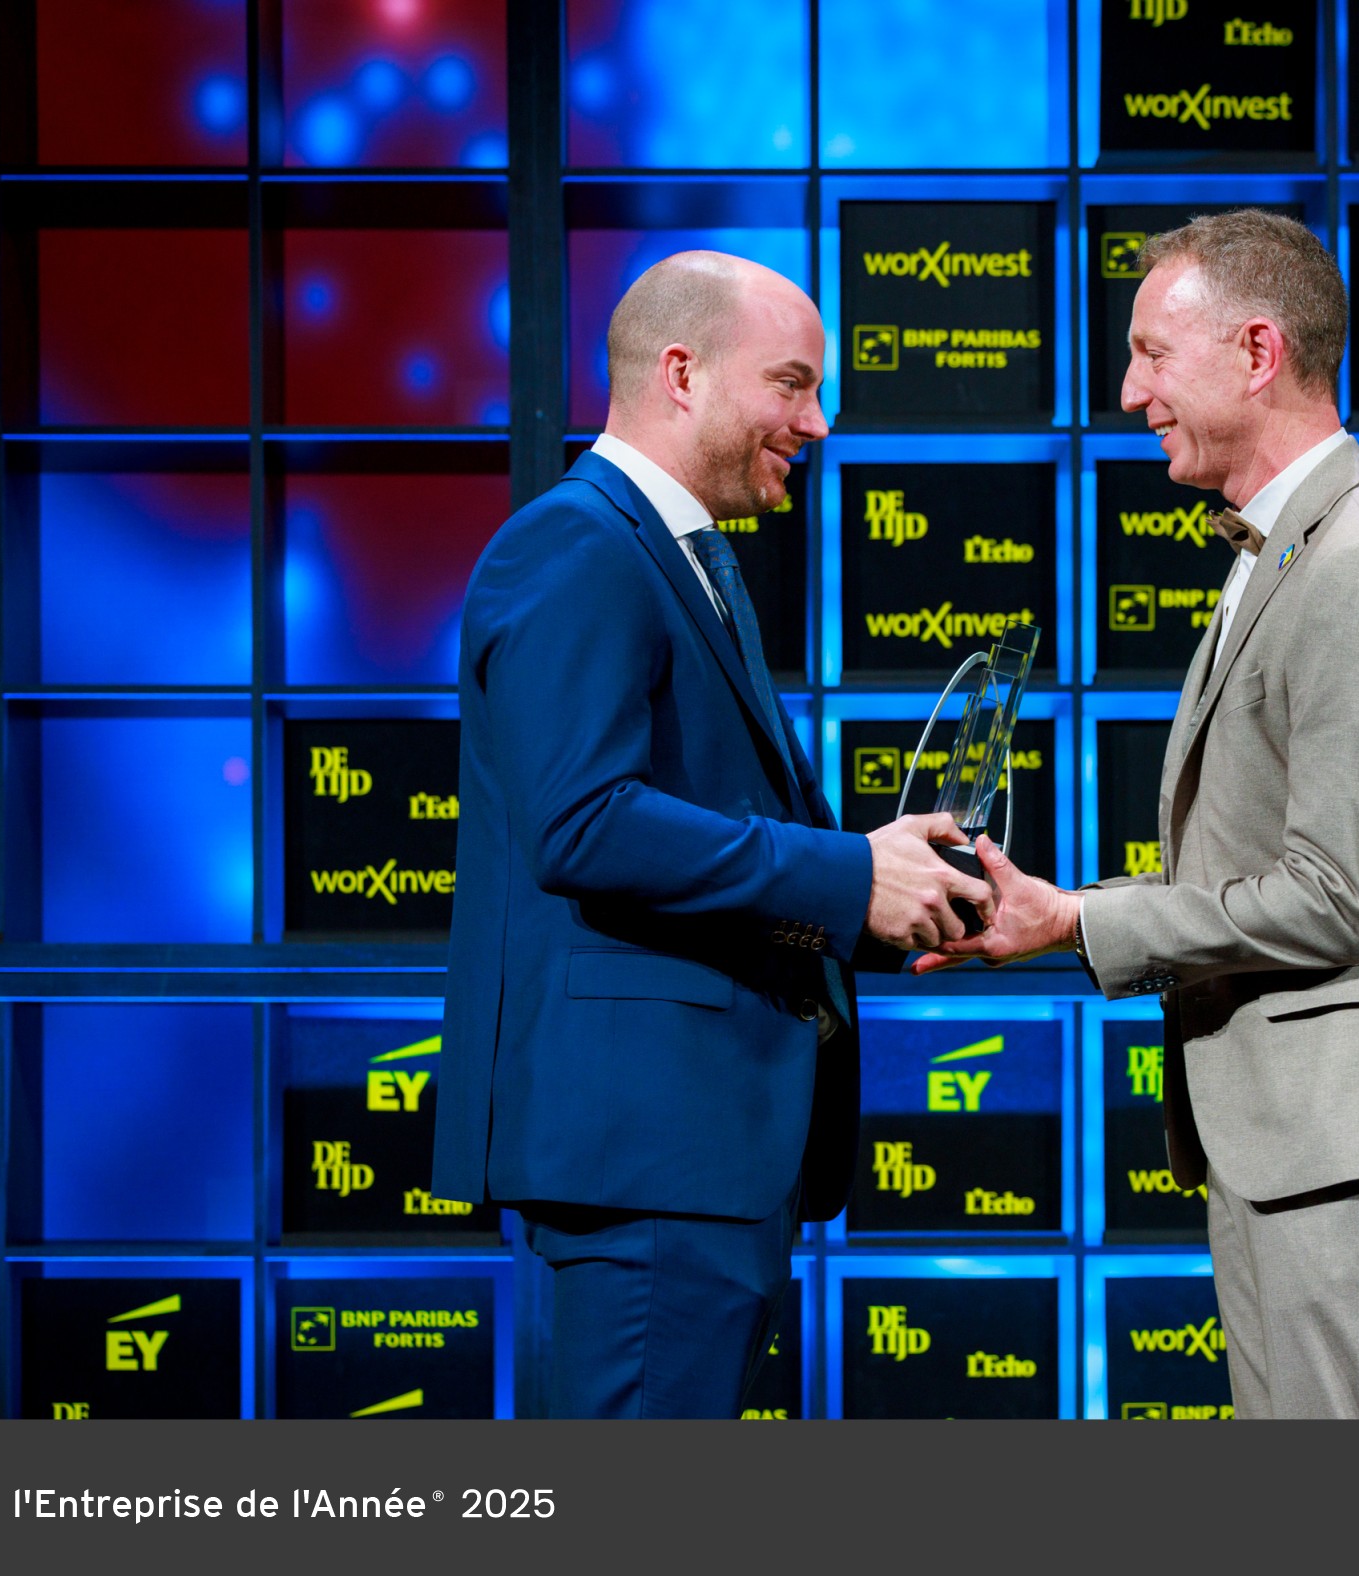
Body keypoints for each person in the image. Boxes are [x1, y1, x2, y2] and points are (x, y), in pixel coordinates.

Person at [923, 210, 1359, 1419]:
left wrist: (1076, 922)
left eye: (1152, 353)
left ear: (1256, 353)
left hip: (1348, 1141)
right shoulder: (1290, 546)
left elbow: (1329, 900)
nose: (1128, 391)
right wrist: (1058, 911)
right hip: (1302, 1136)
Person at [434, 252, 989, 1419]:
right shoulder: (576, 546)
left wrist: (889, 891)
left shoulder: (683, 555)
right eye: (791, 383)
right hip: (649, 1149)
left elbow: (705, 827)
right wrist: (846, 872)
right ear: (681, 375)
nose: (817, 422)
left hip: (698, 1153)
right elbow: (583, 824)